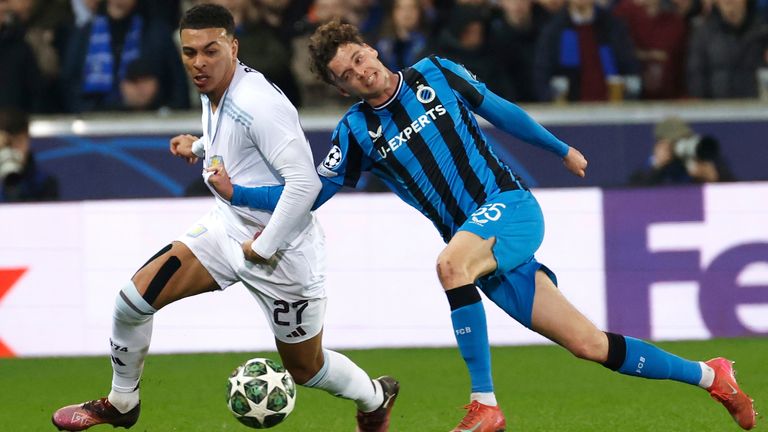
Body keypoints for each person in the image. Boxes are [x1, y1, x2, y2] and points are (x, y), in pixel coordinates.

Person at [232, 20, 758, 432]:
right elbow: (307, 194)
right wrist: (237, 192)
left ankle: (484, 403)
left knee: (448, 264)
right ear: (341, 87)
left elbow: (501, 112)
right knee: (590, 345)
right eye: (345, 75)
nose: (359, 72)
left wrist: (560, 148)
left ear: (370, 48)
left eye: (358, 58)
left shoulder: (435, 72)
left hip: (508, 206)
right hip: (479, 249)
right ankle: (713, 376)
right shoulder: (356, 133)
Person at [51, 5, 398, 432]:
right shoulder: (214, 86)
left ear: (233, 47)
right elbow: (239, 145)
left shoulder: (259, 103)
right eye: (189, 52)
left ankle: (376, 398)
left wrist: (264, 246)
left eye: (210, 50)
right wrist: (200, 147)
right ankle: (122, 403)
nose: (199, 62)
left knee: (307, 369)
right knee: (131, 302)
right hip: (226, 230)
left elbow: (304, 186)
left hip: (283, 254)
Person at [0, 108, 59, 202]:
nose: (12, 150)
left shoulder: (44, 183)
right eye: (7, 144)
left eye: (18, 142)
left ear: (27, 140)